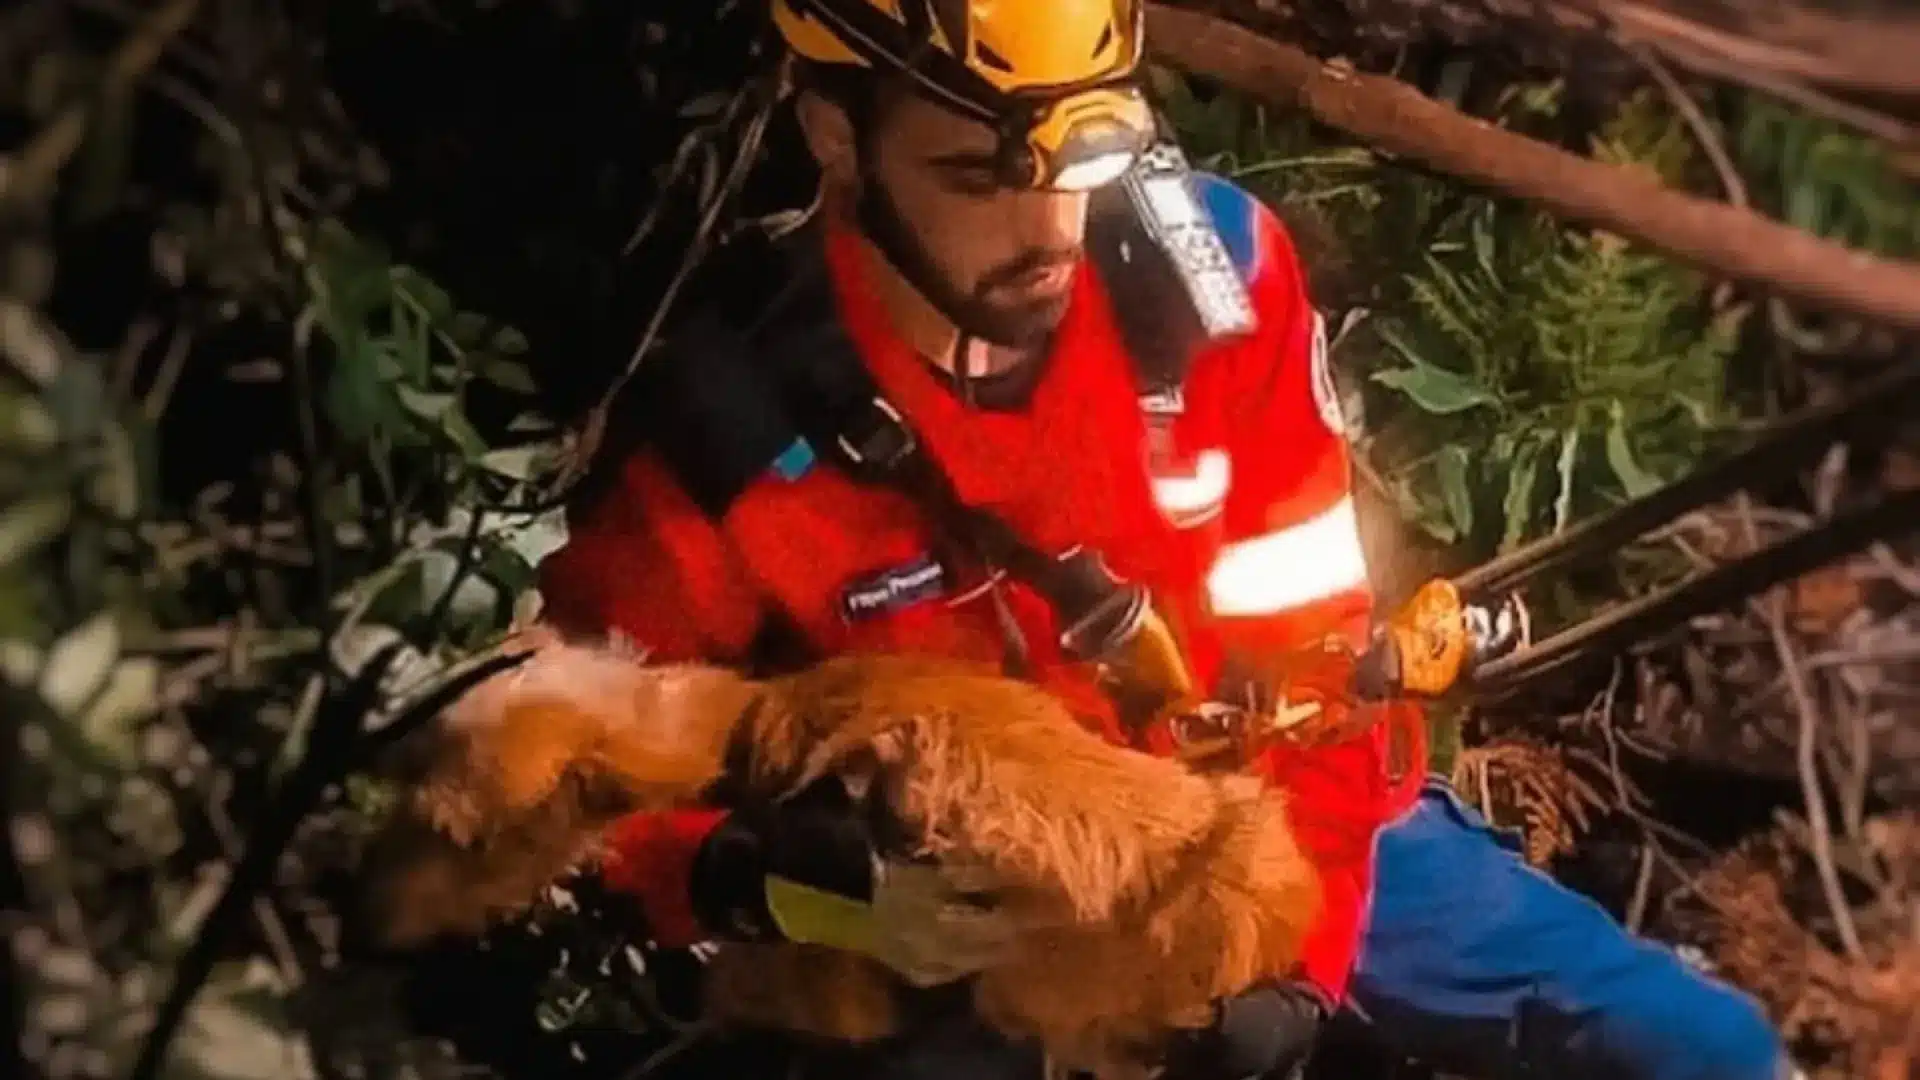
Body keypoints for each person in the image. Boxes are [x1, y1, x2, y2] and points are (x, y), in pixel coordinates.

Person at [537, 2, 1792, 1079]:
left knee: (1706, 1050)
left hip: (1267, 820)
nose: (1046, 228)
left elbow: (1324, 677)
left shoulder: (1205, 296)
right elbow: (583, 794)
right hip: (975, 936)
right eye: (976, 175)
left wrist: (1293, 971)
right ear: (835, 136)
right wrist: (835, 902)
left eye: (1080, 159)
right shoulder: (734, 435)